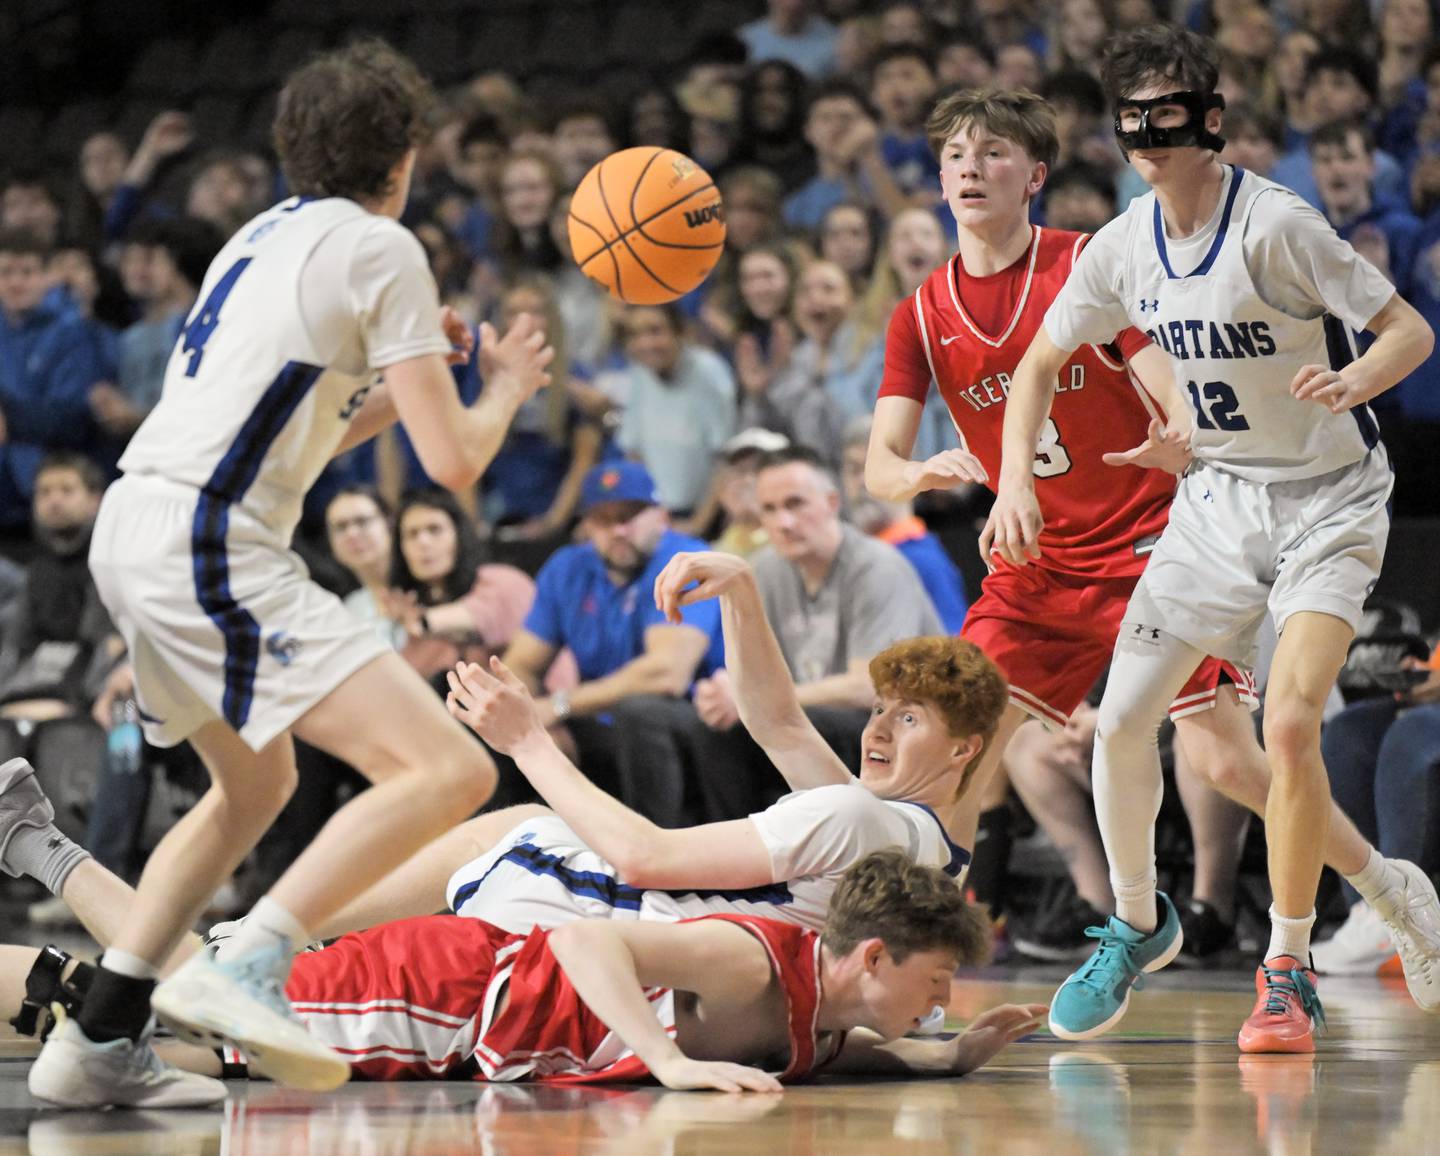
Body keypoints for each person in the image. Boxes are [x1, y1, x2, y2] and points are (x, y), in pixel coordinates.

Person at [25, 40, 555, 1109]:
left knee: (253, 785)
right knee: (451, 770)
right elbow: (454, 464)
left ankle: (97, 1037)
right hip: (208, 540)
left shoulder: (256, 238)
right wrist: (502, 387)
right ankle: (251, 958)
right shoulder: (383, 247)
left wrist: (419, 381)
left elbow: (305, 433)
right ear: (406, 158)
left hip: (136, 524)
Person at [865, 86, 1440, 999]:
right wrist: (927, 473)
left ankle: (1381, 884)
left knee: (1226, 760)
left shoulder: (1096, 259)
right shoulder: (920, 316)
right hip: (1039, 566)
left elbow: (1167, 372)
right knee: (953, 749)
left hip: (1149, 537)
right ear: (937, 180)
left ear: (1036, 176)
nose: (971, 169)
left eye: (993, 154)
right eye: (955, 157)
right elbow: (877, 467)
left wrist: (1182, 438)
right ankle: (914, 979)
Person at [0, 839, 1045, 1090]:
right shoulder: (747, 961)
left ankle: (36, 840)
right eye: (940, 982)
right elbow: (582, 939)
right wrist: (668, 1064)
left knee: (187, 999)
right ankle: (37, 848)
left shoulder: (821, 1009)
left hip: (460, 1019)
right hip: (450, 989)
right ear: (874, 953)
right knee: (175, 998)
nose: (945, 1001)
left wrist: (937, 1062)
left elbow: (824, 1045)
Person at [485, 461, 723, 821]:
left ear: (661, 517)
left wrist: (560, 706)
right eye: (604, 519)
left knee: (639, 712)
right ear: (587, 525)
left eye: (630, 515)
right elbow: (520, 665)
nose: (619, 530)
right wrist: (537, 724)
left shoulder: (685, 561)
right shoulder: (568, 567)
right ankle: (507, 845)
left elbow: (666, 675)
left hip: (698, 724)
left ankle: (659, 864)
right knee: (487, 704)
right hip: (601, 723)